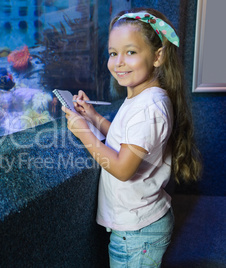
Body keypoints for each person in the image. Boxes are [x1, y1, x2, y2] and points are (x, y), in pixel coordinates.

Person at [61, 7, 202, 267]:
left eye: (131, 52)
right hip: (139, 226)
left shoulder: (149, 108)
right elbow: (122, 136)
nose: (119, 62)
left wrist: (83, 132)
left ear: (158, 56)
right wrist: (92, 117)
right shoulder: (142, 97)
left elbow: (123, 168)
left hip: (138, 233)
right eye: (113, 53)